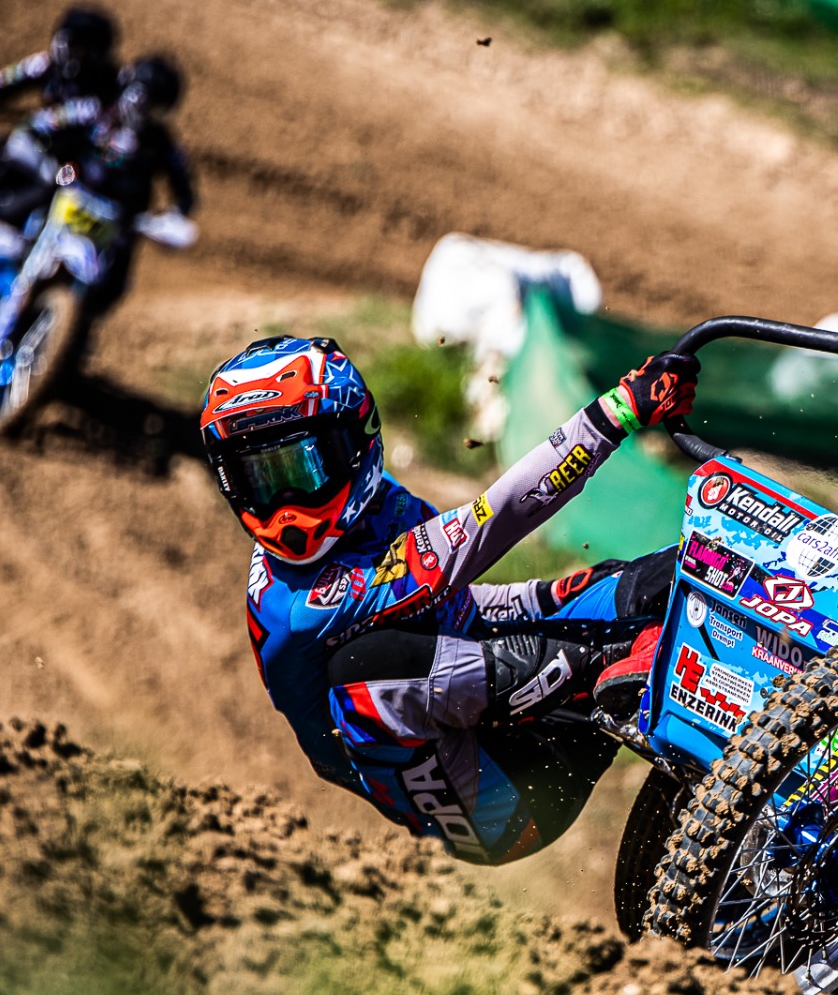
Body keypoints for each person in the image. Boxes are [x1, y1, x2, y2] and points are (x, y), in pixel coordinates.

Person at [201, 335, 696, 864]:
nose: (283, 506)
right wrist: (618, 411)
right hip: (500, 804)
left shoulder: (369, 512)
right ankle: (618, 664)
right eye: (258, 479)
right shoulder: (308, 604)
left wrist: (565, 594)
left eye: (301, 467)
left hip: (488, 719)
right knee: (366, 668)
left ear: (352, 442)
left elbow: (458, 610)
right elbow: (496, 517)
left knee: (652, 580)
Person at [0, 55, 195, 292]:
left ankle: (82, 305)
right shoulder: (94, 110)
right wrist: (45, 160)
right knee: (13, 210)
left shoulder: (161, 143)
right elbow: (44, 122)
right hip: (65, 193)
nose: (147, 113)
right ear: (132, 91)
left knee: (115, 282)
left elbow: (185, 193)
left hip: (114, 220)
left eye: (156, 109)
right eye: (147, 103)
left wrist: (168, 217)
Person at [0, 6, 120, 181]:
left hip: (71, 166)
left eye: (77, 47)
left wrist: (38, 119)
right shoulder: (46, 64)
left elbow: (70, 116)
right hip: (38, 145)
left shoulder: (106, 88)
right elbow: (1, 83)